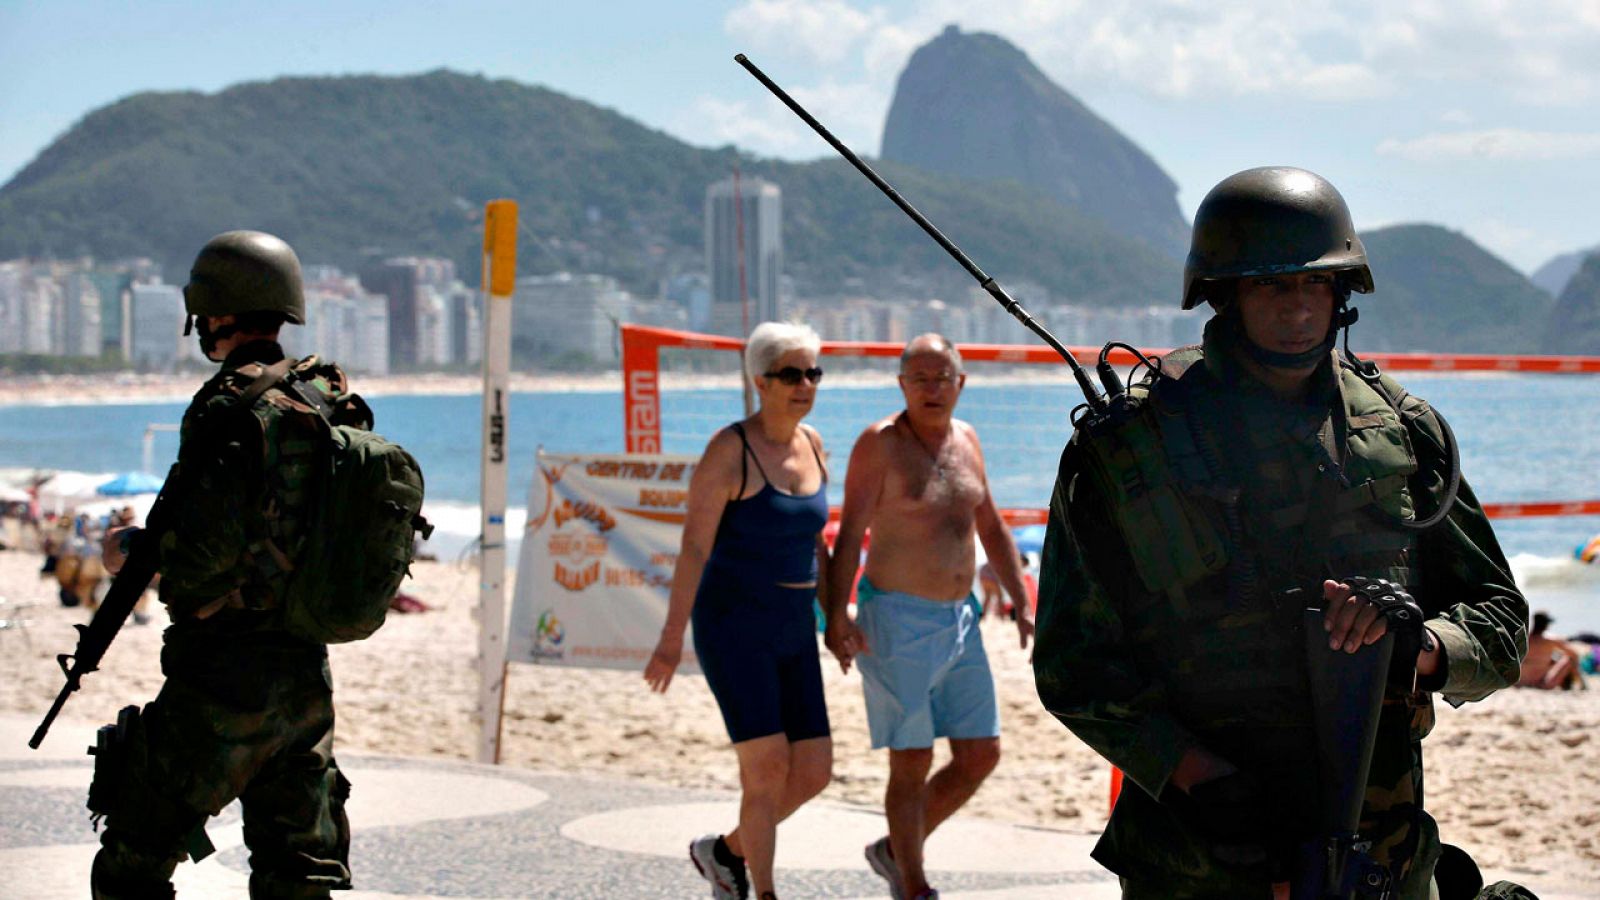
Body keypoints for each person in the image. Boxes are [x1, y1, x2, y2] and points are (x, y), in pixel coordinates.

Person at [1033, 167, 1530, 899]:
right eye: (1271, 286)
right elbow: (1074, 667)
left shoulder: (1401, 432)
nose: (1297, 308)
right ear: (1225, 294)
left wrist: (1418, 648)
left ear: (1341, 296)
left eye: (1314, 285)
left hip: (1377, 849)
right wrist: (1197, 775)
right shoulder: (1132, 452)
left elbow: (1500, 622)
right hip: (1202, 854)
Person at [94, 230, 353, 898]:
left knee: (133, 857)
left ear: (216, 312)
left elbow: (202, 558)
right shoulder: (326, 399)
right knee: (299, 874)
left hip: (223, 676)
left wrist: (126, 552)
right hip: (306, 677)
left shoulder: (228, 406)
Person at [825, 333, 1035, 900]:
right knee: (911, 760)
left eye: (942, 377)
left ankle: (896, 850)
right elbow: (849, 537)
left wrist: (1020, 599)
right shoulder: (880, 444)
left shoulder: (967, 438)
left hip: (961, 619)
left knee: (980, 754)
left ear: (961, 384)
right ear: (901, 385)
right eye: (919, 378)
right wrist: (834, 615)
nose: (932, 388)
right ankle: (912, 886)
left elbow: (990, 525)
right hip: (895, 618)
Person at [644, 321, 835, 900]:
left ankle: (725, 852)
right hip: (735, 628)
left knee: (815, 770)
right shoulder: (731, 450)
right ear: (760, 381)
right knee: (767, 768)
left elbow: (817, 543)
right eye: (790, 374)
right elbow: (694, 547)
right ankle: (763, 891)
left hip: (796, 628)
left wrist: (839, 618)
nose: (804, 385)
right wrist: (671, 638)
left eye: (813, 373)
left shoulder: (814, 443)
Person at [1517, 611, 1585, 690]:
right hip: (1543, 684)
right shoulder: (1551, 639)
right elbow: (1574, 654)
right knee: (1569, 659)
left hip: (1520, 682)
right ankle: (1582, 685)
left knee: (1554, 659)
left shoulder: (1523, 638)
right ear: (1546, 625)